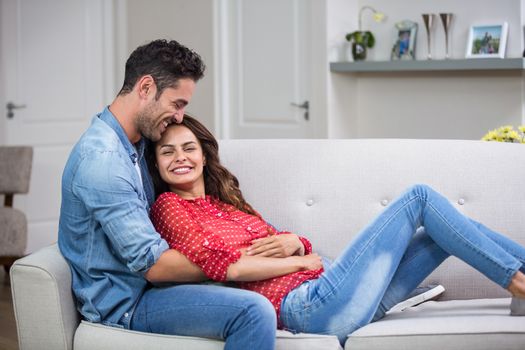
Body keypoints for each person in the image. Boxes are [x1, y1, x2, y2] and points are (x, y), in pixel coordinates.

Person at [147, 115, 525, 346]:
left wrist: (297, 242)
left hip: (342, 295)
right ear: (158, 164)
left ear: (203, 154)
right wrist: (299, 263)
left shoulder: (227, 204)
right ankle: (517, 282)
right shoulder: (170, 207)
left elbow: (284, 242)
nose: (181, 157)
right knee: (419, 198)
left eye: (188, 148)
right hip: (309, 304)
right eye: (168, 151)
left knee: (449, 231)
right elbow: (228, 266)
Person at [58, 39, 276, 350]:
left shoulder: (137, 144)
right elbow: (155, 266)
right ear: (145, 87)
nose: (178, 117)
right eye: (177, 104)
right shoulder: (104, 162)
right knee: (252, 311)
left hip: (153, 288)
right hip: (128, 303)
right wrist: (243, 258)